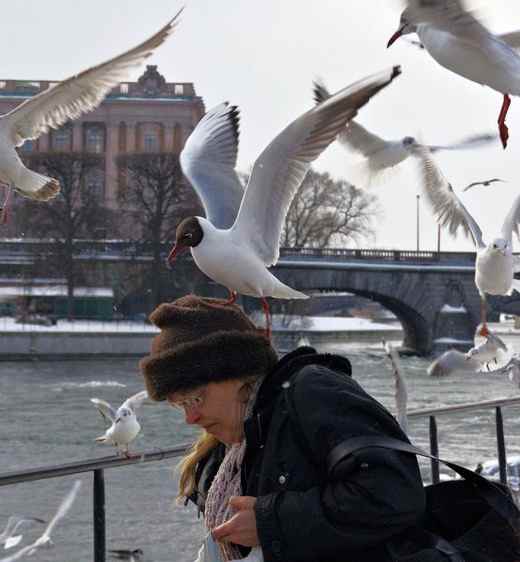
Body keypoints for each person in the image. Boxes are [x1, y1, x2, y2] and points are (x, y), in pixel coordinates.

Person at [140, 295, 426, 562]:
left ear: (237, 373)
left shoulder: (311, 392)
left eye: (195, 398)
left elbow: (395, 493)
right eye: (180, 405)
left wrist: (271, 522)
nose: (190, 418)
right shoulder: (222, 456)